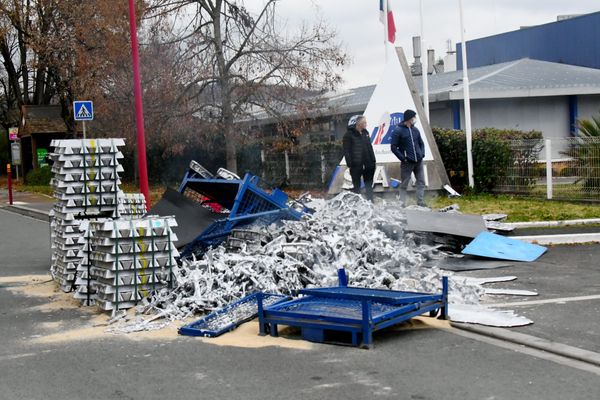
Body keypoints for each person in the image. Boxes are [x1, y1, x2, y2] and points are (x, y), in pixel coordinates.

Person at [390, 109, 426, 207]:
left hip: (418, 161)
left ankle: (420, 202)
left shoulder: (415, 130)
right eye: (414, 117)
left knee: (421, 182)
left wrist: (422, 154)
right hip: (407, 162)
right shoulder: (398, 130)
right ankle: (402, 203)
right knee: (404, 184)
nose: (415, 119)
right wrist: (403, 158)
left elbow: (421, 143)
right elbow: (393, 147)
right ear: (409, 118)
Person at [343, 115, 376, 201]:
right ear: (358, 124)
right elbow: (346, 150)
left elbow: (370, 147)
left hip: (368, 163)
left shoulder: (366, 133)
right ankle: (357, 203)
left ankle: (370, 201)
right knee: (356, 186)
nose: (366, 124)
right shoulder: (349, 135)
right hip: (356, 164)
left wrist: (373, 160)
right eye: (364, 122)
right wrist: (350, 163)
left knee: (369, 184)